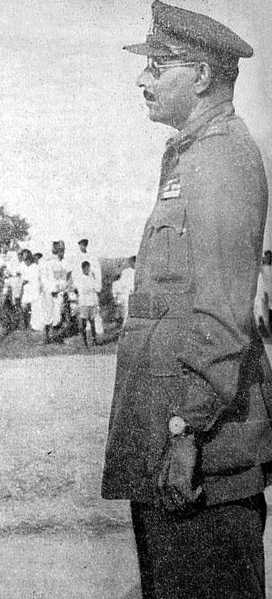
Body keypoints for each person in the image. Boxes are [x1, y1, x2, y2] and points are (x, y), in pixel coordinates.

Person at [101, 2, 272, 598]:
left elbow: (222, 315)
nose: (143, 80)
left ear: (201, 75)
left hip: (205, 449)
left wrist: (186, 432)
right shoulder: (189, 154)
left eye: (158, 65)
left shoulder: (221, 158)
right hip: (174, 436)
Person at [75, 260, 101, 347]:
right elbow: (81, 290)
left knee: (92, 322)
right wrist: (90, 290)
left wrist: (93, 287)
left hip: (92, 302)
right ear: (83, 269)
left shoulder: (91, 277)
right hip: (84, 303)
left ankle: (94, 340)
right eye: (85, 268)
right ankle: (85, 341)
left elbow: (97, 288)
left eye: (88, 268)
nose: (87, 270)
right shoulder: (80, 278)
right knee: (83, 323)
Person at [112, 255, 136, 327]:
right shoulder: (126, 271)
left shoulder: (138, 271)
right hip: (126, 295)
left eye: (133, 262)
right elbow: (122, 283)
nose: (132, 263)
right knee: (124, 313)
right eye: (130, 262)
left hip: (133, 293)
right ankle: (122, 328)